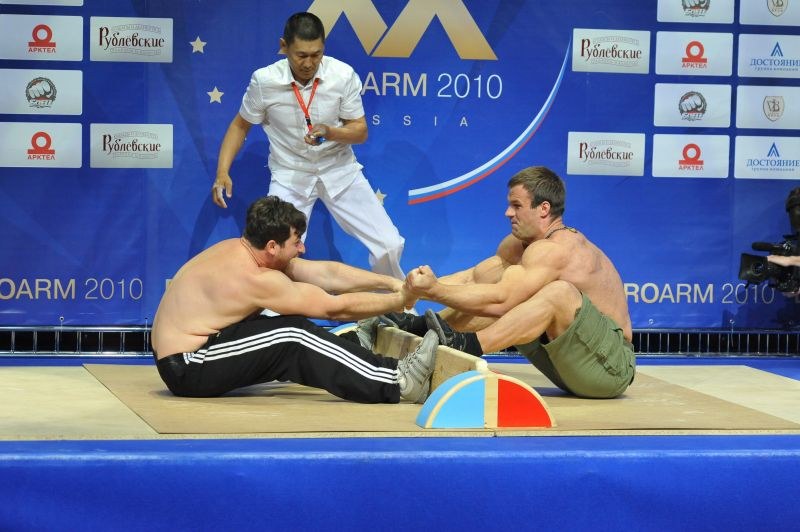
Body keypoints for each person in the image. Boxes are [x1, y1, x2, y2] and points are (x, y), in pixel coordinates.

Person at [151, 195, 438, 404]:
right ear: (272, 246)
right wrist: (401, 299)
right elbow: (334, 309)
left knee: (284, 330)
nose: (302, 248)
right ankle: (397, 380)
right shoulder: (253, 278)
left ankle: (352, 347)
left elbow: (327, 275)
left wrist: (392, 283)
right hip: (187, 366)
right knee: (292, 335)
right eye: (296, 241)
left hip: (199, 347)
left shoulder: (246, 250)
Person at [388, 166, 635, 399]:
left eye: (516, 206)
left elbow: (502, 302)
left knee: (556, 293)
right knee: (507, 282)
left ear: (544, 209)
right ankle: (422, 330)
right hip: (567, 362)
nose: (508, 213)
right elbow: (473, 278)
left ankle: (466, 345)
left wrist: (434, 290)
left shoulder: (559, 249)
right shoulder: (522, 245)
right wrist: (407, 291)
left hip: (611, 368)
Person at [212, 11, 406, 279]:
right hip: (290, 175)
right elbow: (239, 126)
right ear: (284, 47)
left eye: (316, 55)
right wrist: (222, 171)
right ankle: (277, 306)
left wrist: (330, 132)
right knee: (275, 255)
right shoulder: (264, 81)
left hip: (340, 171)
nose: (309, 63)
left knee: (390, 245)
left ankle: (393, 298)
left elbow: (360, 131)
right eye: (301, 55)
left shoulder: (342, 75)